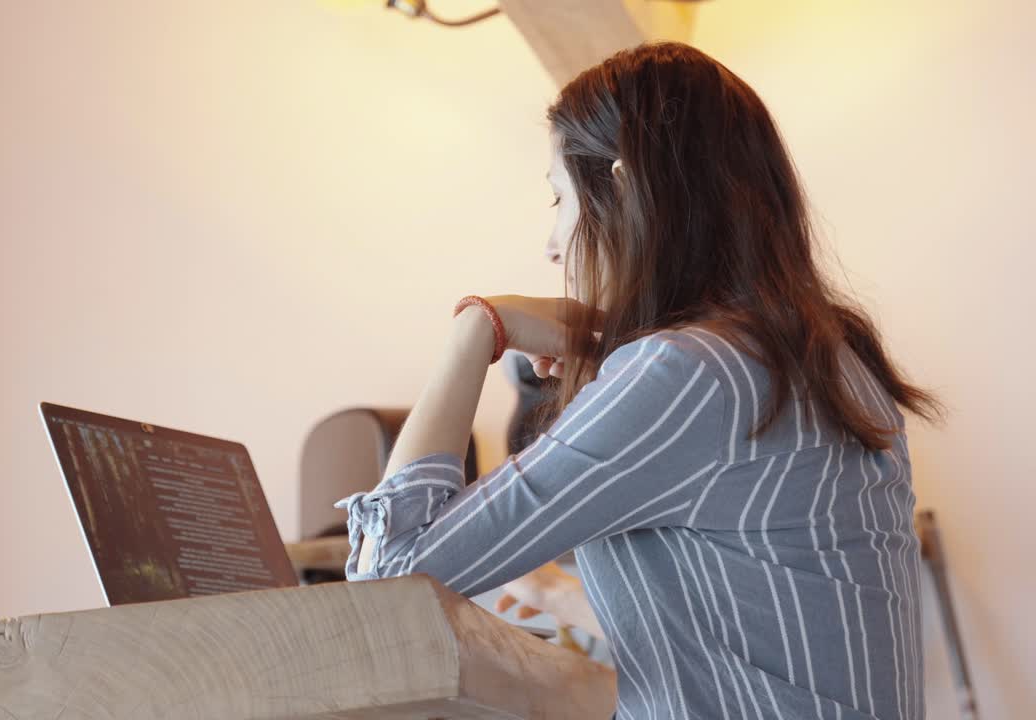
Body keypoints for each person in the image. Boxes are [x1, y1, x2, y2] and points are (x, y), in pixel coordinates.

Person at [332, 40, 942, 720]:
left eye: (558, 199)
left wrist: (479, 326)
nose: (552, 244)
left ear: (622, 188)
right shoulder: (824, 359)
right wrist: (569, 600)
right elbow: (747, 613)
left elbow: (388, 583)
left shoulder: (686, 374)